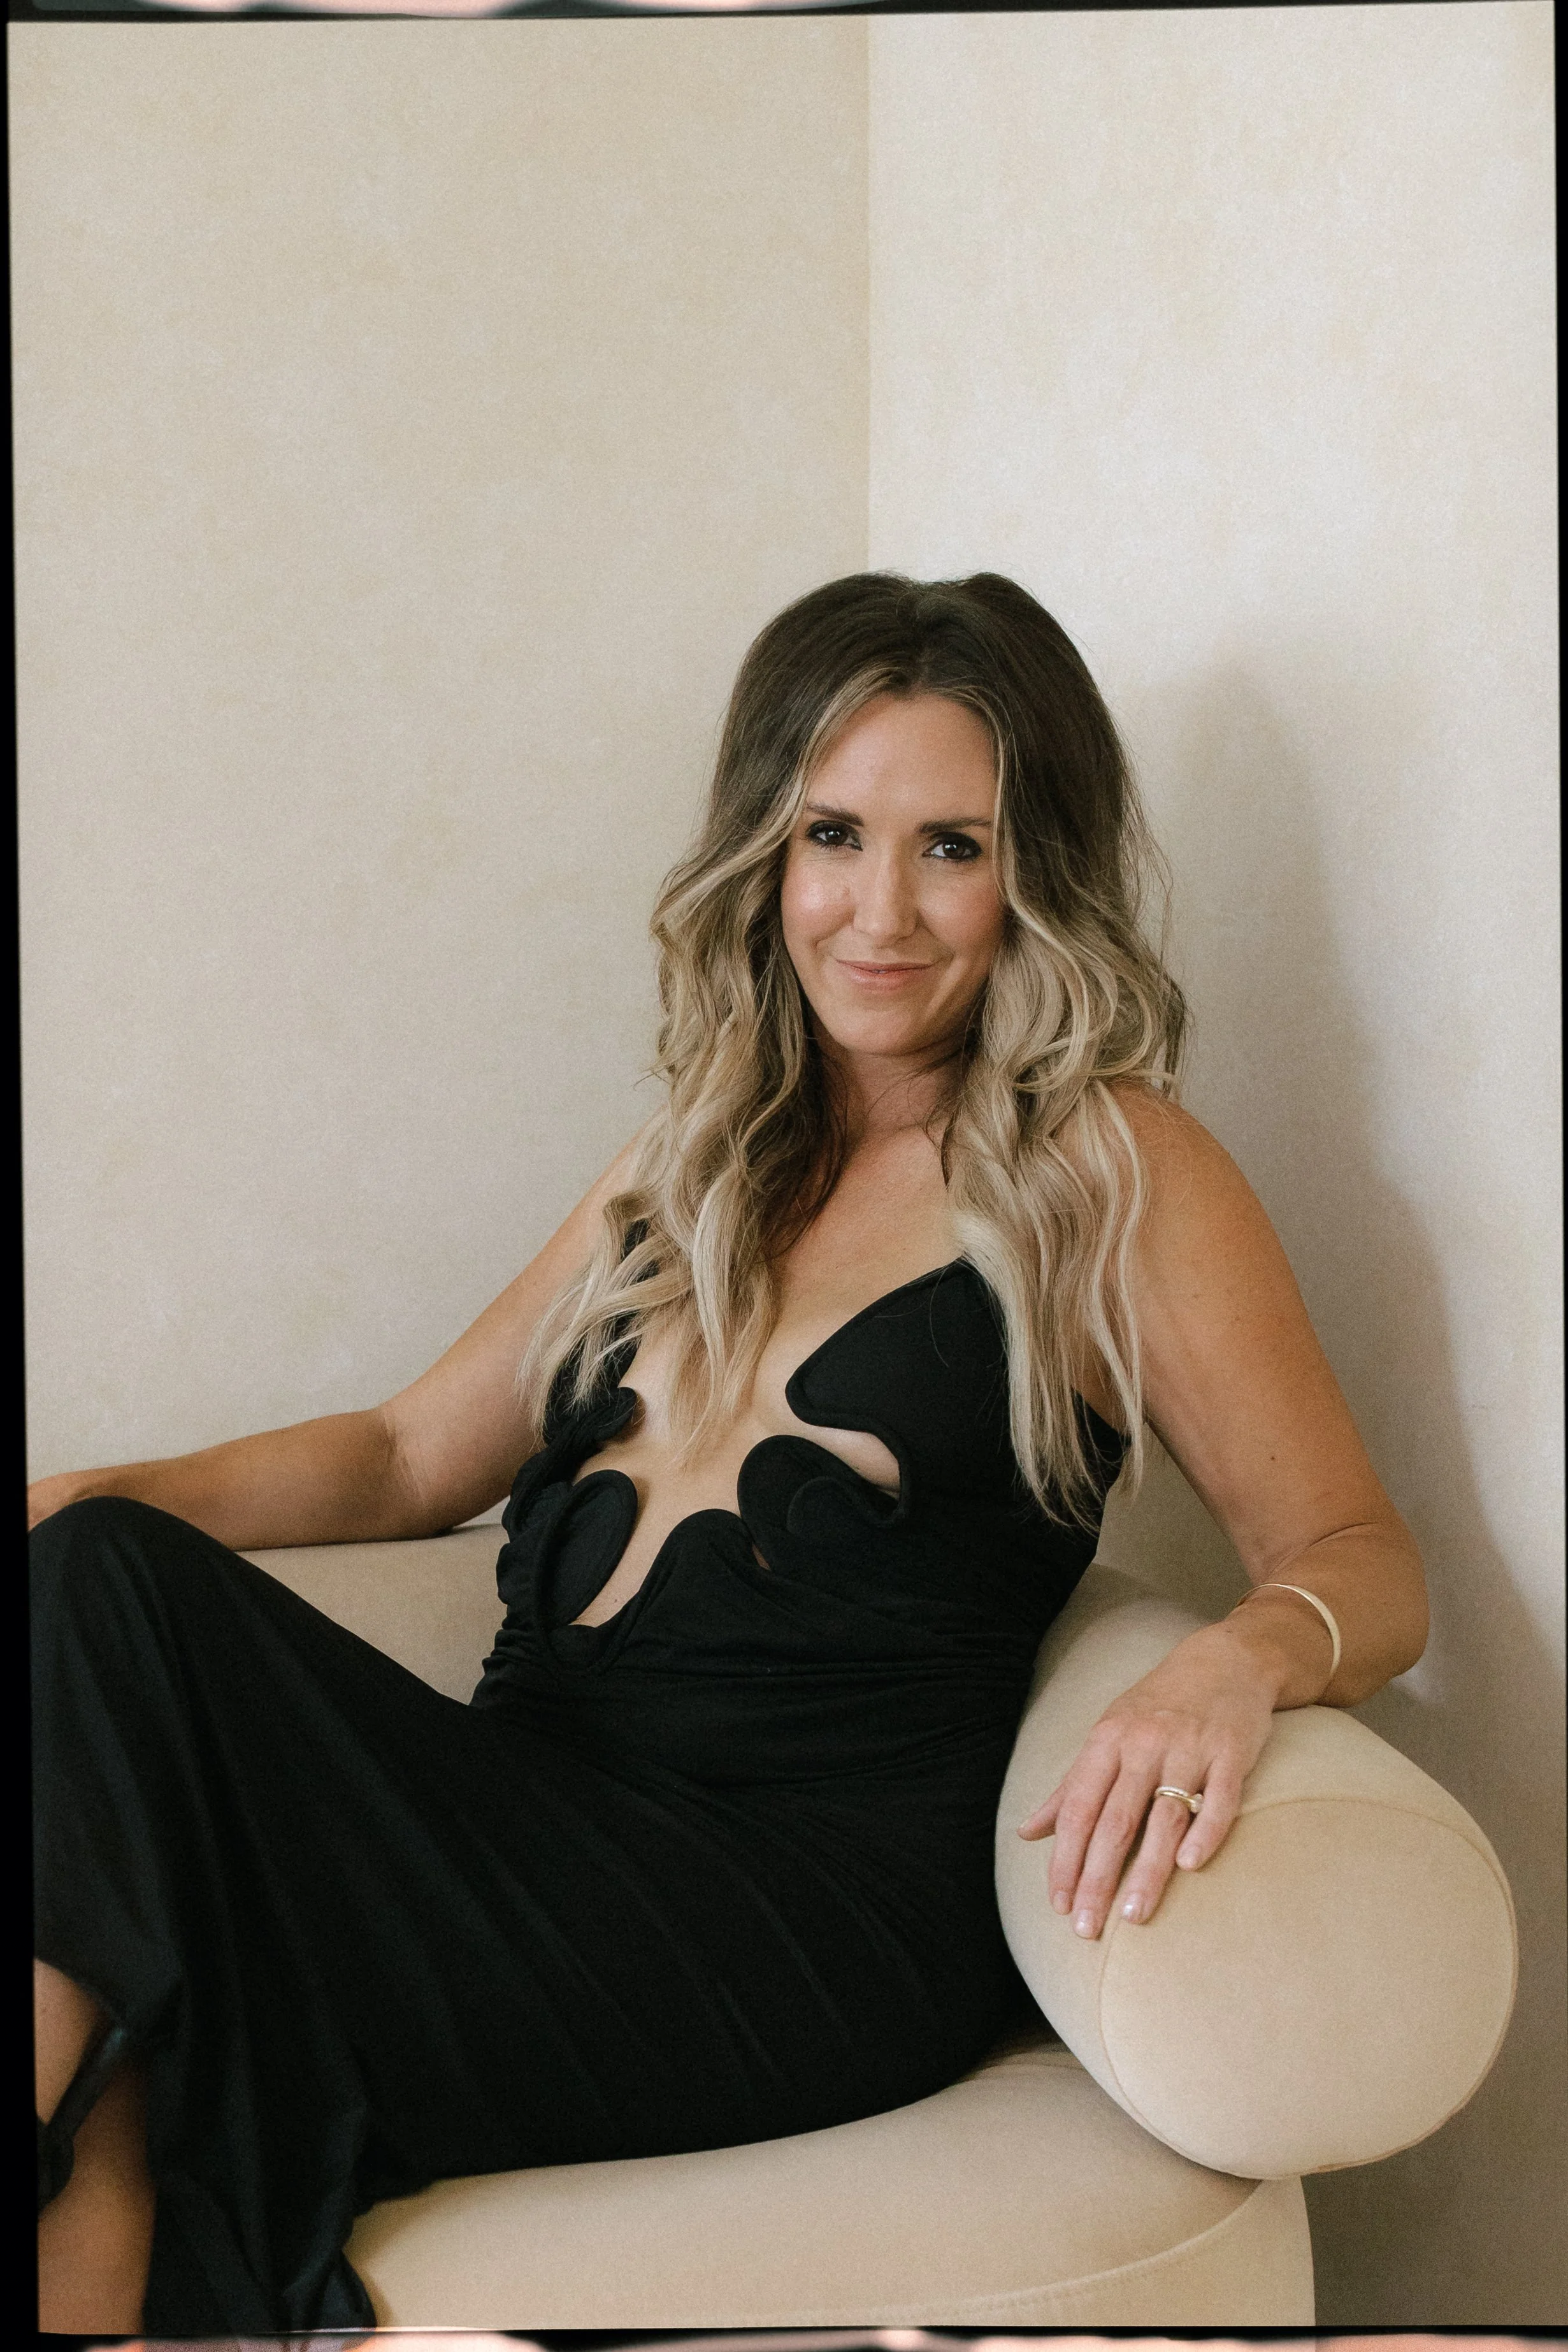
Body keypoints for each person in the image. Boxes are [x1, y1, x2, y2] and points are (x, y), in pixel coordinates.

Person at [31, 570, 1428, 2335]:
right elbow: (403, 1457)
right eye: (833, 835)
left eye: (952, 847)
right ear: (765, 854)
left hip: (783, 1923)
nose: (879, 911)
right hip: (534, 1838)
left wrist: (1238, 1659)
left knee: (103, 1612)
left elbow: (1364, 1555)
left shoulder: (1118, 1173)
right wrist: (77, 1494)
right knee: (117, 1939)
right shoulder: (689, 1156)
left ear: (1036, 876)